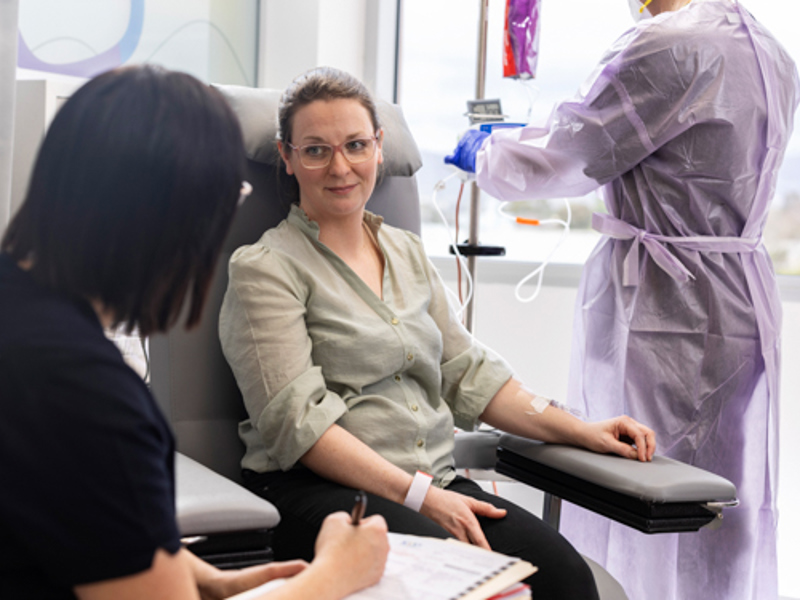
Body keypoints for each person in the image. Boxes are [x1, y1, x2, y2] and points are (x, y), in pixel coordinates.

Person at [218, 66, 656, 600]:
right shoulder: (265, 268)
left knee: (567, 580)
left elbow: (469, 374)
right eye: (315, 151)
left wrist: (583, 429)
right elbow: (300, 425)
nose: (340, 167)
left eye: (356, 145)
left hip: (432, 483)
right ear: (286, 157)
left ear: (379, 147)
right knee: (470, 589)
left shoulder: (406, 252)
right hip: (318, 491)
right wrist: (420, 496)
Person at [445, 1, 799, 599]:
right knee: (721, 493)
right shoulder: (769, 50)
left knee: (632, 471)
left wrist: (483, 153)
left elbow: (568, 154)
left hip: (664, 302)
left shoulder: (666, 45)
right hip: (739, 294)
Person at [0, 65, 389, 600]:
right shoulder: (91, 399)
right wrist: (333, 576)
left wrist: (203, 577)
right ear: (175, 223)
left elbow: (71, 506)